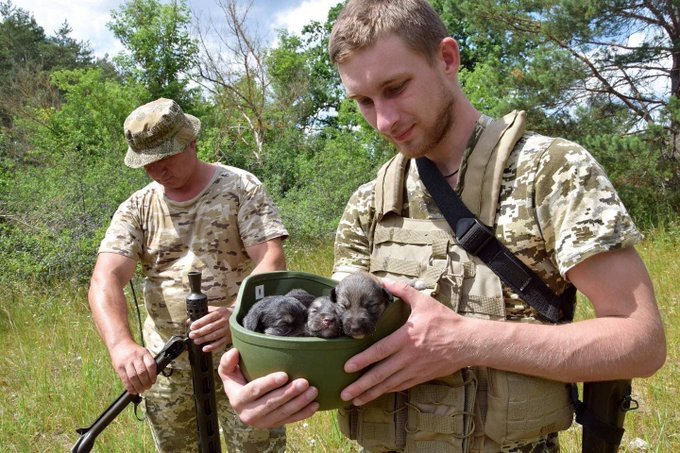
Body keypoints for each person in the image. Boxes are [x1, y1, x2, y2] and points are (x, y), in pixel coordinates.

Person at [218, 1, 666, 451]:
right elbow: (338, 346)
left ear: (447, 60)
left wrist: (468, 342)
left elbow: (640, 340)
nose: (384, 120)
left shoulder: (550, 173)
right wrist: (263, 382)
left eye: (395, 88)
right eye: (364, 102)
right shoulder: (370, 202)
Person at [88, 97, 288, 452]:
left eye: (166, 157)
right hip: (168, 366)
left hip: (244, 356)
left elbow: (271, 259)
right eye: (149, 163)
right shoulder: (137, 208)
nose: (158, 170)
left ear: (191, 142)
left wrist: (236, 315)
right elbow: (105, 279)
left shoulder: (240, 188)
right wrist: (121, 345)